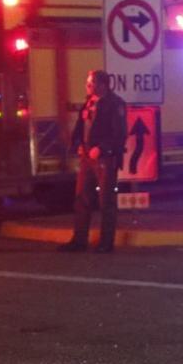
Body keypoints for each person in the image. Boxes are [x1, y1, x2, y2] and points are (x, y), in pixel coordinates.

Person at [58, 70, 128, 253]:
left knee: (106, 201)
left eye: (91, 84)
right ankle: (79, 240)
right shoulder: (88, 103)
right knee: (82, 198)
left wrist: (103, 148)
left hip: (105, 158)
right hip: (87, 158)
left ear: (102, 85)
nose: (87, 87)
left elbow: (119, 133)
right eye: (87, 83)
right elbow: (81, 128)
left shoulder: (115, 104)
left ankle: (106, 243)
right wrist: (79, 145)